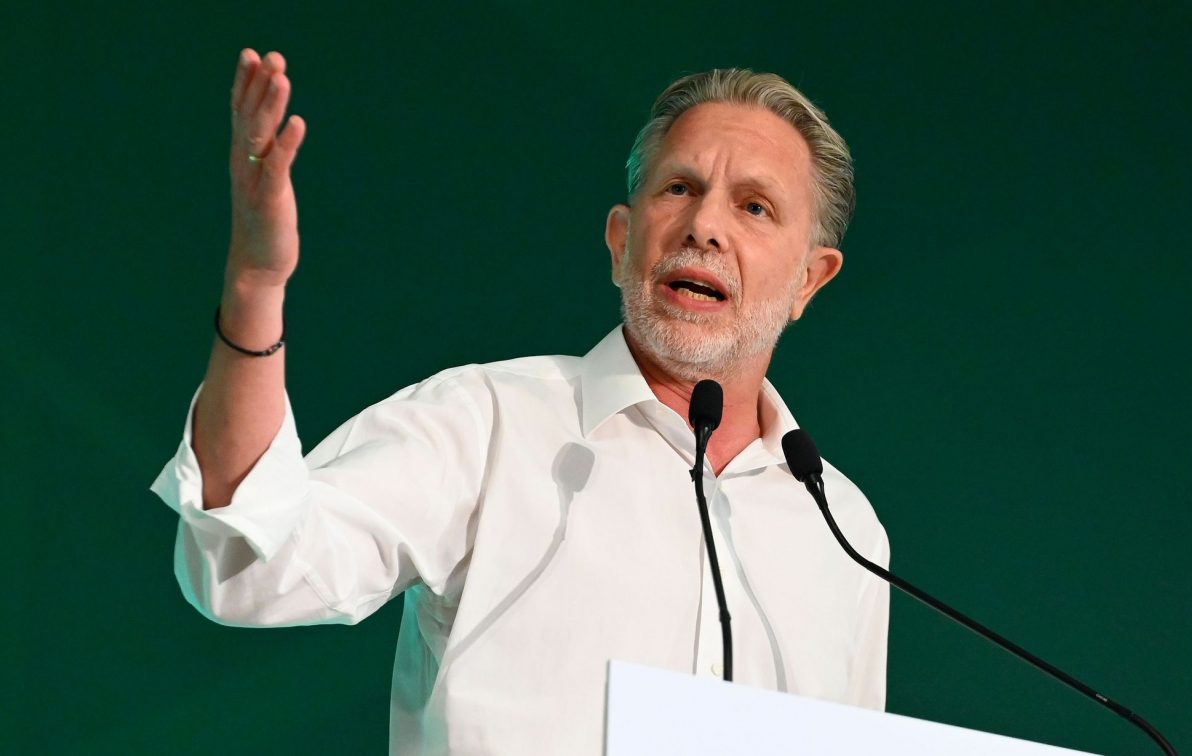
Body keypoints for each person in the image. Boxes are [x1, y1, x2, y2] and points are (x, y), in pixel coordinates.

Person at [152, 48, 890, 756]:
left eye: (755, 207)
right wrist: (254, 286)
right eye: (678, 189)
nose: (704, 227)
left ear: (809, 280)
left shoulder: (846, 532)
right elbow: (250, 565)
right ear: (621, 240)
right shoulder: (488, 422)